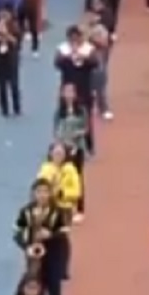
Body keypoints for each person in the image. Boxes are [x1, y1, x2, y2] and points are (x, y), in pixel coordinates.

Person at [13, 178, 69, 295]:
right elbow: (16, 233)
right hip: (34, 259)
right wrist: (27, 245)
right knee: (27, 294)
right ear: (34, 193)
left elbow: (64, 234)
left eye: (45, 191)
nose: (42, 195)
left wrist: (50, 235)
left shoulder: (57, 212)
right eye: (39, 191)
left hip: (53, 258)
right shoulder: (26, 212)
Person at [54, 82, 90, 215]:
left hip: (77, 148)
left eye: (71, 92)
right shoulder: (59, 111)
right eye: (66, 92)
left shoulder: (81, 110)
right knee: (61, 176)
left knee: (77, 177)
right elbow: (56, 129)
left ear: (75, 94)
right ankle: (63, 206)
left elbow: (86, 128)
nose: (68, 95)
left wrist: (77, 134)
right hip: (63, 149)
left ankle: (80, 209)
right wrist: (59, 143)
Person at [0, 10, 23, 117]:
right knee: (1, 86)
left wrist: (6, 34)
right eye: (1, 15)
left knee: (14, 85)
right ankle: (4, 109)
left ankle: (16, 108)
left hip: (11, 58)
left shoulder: (15, 27)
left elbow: (15, 41)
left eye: (6, 15)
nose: (3, 17)